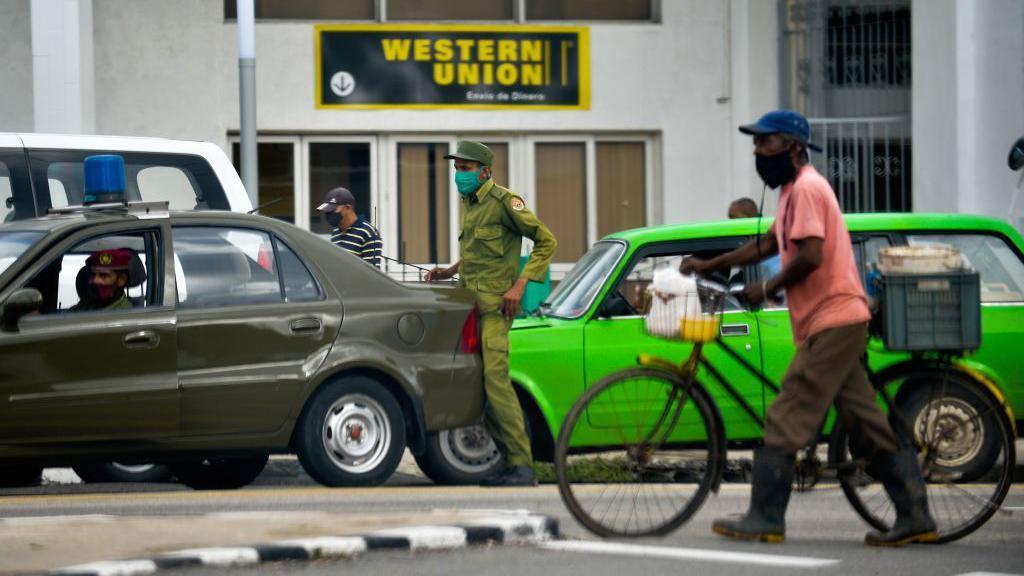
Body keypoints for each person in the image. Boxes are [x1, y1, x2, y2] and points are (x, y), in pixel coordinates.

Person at [683, 109, 936, 547]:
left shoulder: (808, 189)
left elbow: (811, 255)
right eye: (757, 143)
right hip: (835, 321)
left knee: (786, 413)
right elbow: (769, 244)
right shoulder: (790, 193)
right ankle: (916, 516)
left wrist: (767, 287)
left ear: (794, 147)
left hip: (833, 321)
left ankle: (765, 517)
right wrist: (712, 263)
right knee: (865, 424)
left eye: (767, 142)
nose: (758, 151)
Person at [425, 141, 557, 487]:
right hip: (472, 306)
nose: (459, 176)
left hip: (496, 310)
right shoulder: (470, 203)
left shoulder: (504, 202)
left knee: (496, 383)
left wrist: (520, 285)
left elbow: (546, 241)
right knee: (478, 385)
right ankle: (508, 463)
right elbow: (480, 251)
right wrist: (450, 270)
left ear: (485, 171)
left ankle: (522, 465)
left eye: (465, 169)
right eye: (456, 169)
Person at [316, 187, 382, 268]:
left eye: (333, 209)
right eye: (327, 211)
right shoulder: (336, 232)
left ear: (348, 208)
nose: (329, 213)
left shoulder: (368, 232)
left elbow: (372, 273)